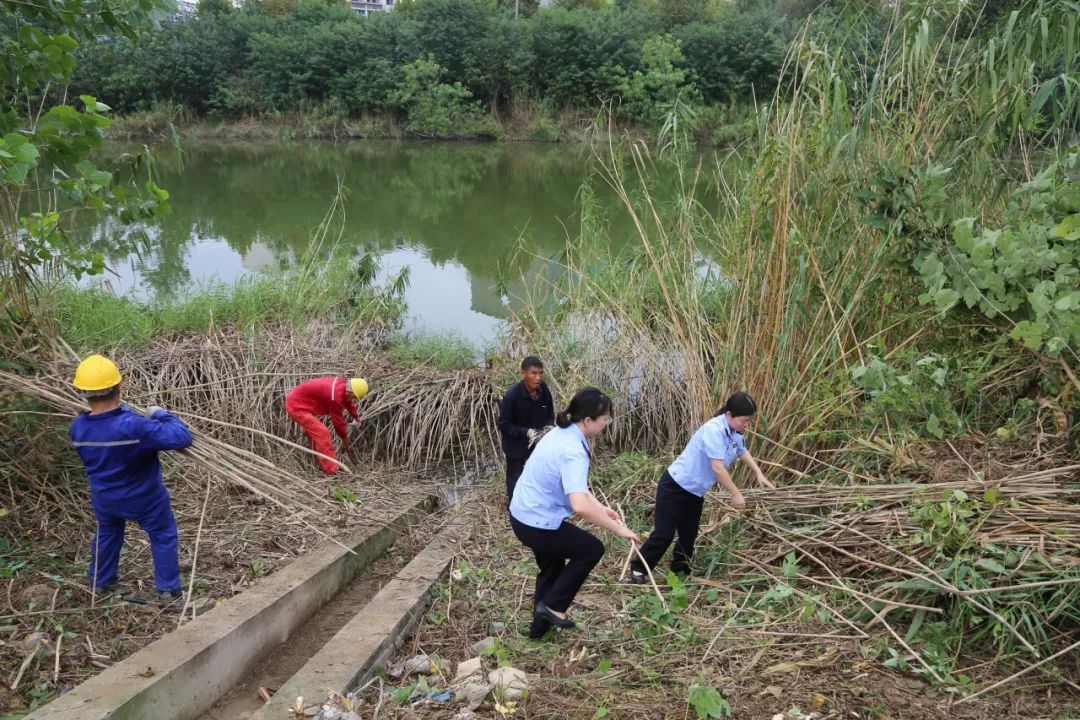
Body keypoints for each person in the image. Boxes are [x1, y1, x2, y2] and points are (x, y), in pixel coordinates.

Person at [509, 387, 640, 639]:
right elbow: (579, 506)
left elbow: (576, 489)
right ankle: (553, 607)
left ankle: (539, 631)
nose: (607, 423)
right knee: (591, 550)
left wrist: (602, 509)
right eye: (605, 419)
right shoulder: (573, 451)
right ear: (588, 420)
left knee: (552, 566)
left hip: (522, 513)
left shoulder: (562, 432)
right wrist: (618, 529)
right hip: (536, 522)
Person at [70, 354, 193, 608]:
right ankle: (168, 591)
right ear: (118, 386)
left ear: (83, 393)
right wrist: (162, 414)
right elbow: (181, 437)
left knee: (107, 532)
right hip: (144, 498)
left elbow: (104, 435)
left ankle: (99, 582)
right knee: (162, 534)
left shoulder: (78, 427)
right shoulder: (136, 427)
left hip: (105, 498)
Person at [629, 391, 774, 584]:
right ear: (729, 414)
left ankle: (680, 569)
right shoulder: (714, 431)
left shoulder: (734, 431)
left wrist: (758, 472)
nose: (746, 425)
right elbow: (718, 468)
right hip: (676, 486)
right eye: (743, 420)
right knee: (664, 534)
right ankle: (638, 568)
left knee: (689, 533)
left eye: (749, 421)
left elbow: (741, 450)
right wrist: (736, 494)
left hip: (695, 491)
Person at [497, 356, 555, 505]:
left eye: (541, 373)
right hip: (515, 444)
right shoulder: (511, 396)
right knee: (514, 476)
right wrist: (526, 432)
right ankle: (514, 506)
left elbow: (550, 414)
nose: (538, 378)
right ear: (523, 374)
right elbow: (503, 424)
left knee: (538, 473)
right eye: (533, 373)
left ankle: (536, 502)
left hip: (537, 442)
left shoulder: (544, 389)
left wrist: (549, 427)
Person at [285, 376, 369, 474]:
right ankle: (332, 470)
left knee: (315, 435)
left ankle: (317, 463)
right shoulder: (335, 396)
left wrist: (356, 417)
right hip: (296, 406)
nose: (353, 399)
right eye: (354, 397)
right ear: (350, 392)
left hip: (303, 403)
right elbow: (337, 421)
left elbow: (348, 402)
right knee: (322, 432)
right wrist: (345, 439)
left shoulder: (343, 387)